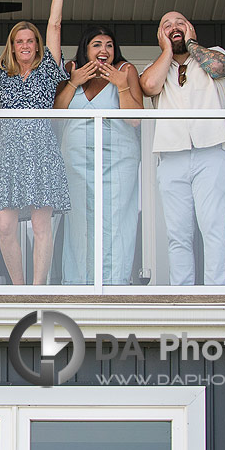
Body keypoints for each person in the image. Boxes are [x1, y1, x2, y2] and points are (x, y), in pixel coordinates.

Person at [0, 0, 71, 285]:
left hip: (42, 149)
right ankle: (18, 289)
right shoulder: (2, 72)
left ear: (37, 45)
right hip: (11, 153)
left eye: (31, 40)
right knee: (5, 225)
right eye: (19, 41)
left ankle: (37, 288)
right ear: (12, 47)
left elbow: (55, 25)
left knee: (42, 225)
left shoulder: (47, 71)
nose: (26, 45)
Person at [139, 11, 225, 286]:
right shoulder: (157, 66)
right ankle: (183, 295)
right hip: (171, 156)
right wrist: (167, 50)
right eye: (166, 25)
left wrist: (190, 44)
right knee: (178, 233)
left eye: (180, 23)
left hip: (211, 151)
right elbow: (148, 86)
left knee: (213, 228)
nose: (174, 27)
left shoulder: (213, 54)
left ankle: (216, 296)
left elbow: (220, 69)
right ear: (160, 35)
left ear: (191, 28)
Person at [54, 25, 144, 285]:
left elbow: (135, 119)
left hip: (119, 158)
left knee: (115, 220)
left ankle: (114, 284)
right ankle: (78, 284)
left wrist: (122, 86)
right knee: (79, 222)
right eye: (97, 45)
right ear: (85, 49)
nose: (104, 50)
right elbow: (57, 113)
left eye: (109, 45)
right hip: (76, 157)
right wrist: (74, 82)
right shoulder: (72, 69)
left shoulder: (126, 71)